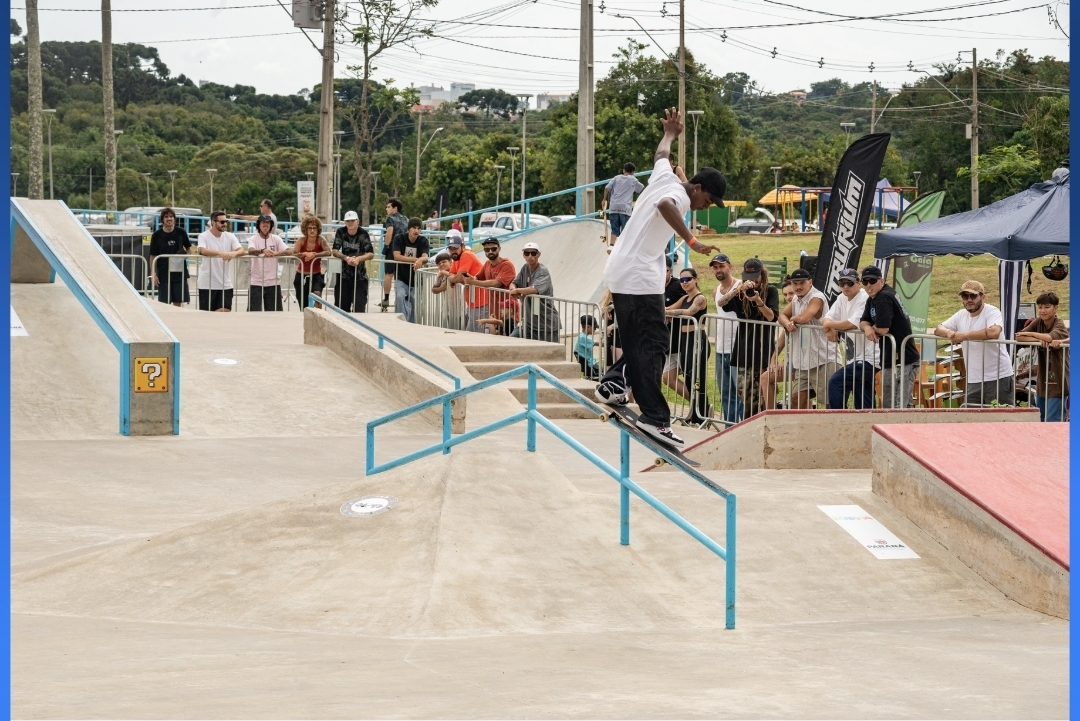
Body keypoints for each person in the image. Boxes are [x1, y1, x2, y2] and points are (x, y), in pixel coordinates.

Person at [594, 108, 724, 448]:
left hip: (621, 271)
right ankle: (655, 417)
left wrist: (669, 133)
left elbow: (661, 155)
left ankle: (612, 383)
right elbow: (667, 206)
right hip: (638, 277)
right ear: (697, 187)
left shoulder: (664, 176)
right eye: (706, 199)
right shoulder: (677, 195)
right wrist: (692, 241)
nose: (703, 206)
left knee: (640, 342)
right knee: (655, 346)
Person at [714, 258, 779, 418]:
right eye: (749, 277)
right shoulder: (740, 294)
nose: (753, 281)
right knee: (746, 397)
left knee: (763, 397)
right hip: (743, 353)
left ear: (762, 275)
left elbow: (772, 317)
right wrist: (737, 290)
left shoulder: (770, 291)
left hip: (763, 352)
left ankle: (764, 424)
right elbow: (721, 303)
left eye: (756, 277)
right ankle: (749, 426)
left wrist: (757, 300)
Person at [934, 280, 1015, 407]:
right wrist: (949, 333)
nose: (969, 300)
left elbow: (994, 332)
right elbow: (938, 329)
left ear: (983, 297)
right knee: (971, 420)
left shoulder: (992, 311)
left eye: (973, 296)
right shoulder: (961, 315)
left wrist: (965, 335)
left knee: (1000, 419)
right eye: (965, 296)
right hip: (973, 379)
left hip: (998, 377)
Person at [860, 265, 919, 408]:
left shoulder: (884, 297)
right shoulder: (873, 298)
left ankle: (903, 430)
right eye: (865, 282)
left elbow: (883, 328)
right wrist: (868, 328)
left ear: (881, 280)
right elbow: (863, 321)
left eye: (872, 281)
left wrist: (872, 328)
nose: (868, 286)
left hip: (903, 359)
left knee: (897, 406)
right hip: (890, 358)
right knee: (893, 404)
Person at [778, 268, 838, 409]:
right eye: (795, 283)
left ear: (810, 282)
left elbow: (804, 317)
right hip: (804, 361)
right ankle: (800, 429)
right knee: (796, 399)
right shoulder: (795, 300)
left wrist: (792, 319)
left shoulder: (817, 297)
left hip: (823, 358)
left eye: (801, 283)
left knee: (830, 402)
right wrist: (787, 323)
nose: (798, 287)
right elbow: (781, 316)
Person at [824, 268, 879, 409]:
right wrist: (829, 327)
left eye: (850, 283)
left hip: (870, 357)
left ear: (858, 283)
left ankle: (837, 420)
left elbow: (850, 324)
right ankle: (867, 424)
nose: (845, 287)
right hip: (854, 357)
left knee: (836, 382)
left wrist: (831, 325)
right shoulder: (842, 297)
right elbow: (826, 319)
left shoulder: (864, 298)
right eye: (842, 283)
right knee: (862, 394)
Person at [1015, 291, 1069, 421]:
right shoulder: (1038, 322)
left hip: (1058, 382)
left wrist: (1035, 336)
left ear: (1056, 308)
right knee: (1040, 420)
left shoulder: (1059, 324)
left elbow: (1049, 337)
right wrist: (1039, 340)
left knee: (1053, 421)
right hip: (1042, 382)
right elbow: (1018, 336)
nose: (1042, 310)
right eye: (1040, 307)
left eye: (1047, 307)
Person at [667, 267, 710, 423]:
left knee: (698, 378)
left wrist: (668, 313)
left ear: (695, 280)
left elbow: (689, 312)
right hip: (685, 340)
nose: (684, 283)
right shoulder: (684, 298)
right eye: (682, 280)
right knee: (689, 377)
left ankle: (702, 413)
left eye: (688, 279)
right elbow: (670, 308)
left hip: (697, 340)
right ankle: (695, 411)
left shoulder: (699, 298)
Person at [710, 253, 743, 424]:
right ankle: (729, 426)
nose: (718, 270)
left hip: (737, 349)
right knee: (725, 392)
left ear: (730, 266)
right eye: (715, 267)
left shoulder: (740, 286)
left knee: (741, 392)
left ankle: (743, 426)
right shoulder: (716, 290)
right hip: (721, 348)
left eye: (721, 266)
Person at [509, 242, 561, 342]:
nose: (530, 256)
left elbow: (533, 290)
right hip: (529, 323)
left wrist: (517, 290)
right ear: (523, 255)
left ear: (538, 254)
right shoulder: (525, 268)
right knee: (512, 341)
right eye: (527, 253)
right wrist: (513, 291)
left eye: (533, 253)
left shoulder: (542, 271)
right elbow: (514, 283)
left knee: (548, 355)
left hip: (545, 323)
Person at [758, 277, 795, 413]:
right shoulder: (788, 311)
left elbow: (802, 341)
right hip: (795, 362)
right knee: (766, 377)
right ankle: (772, 415)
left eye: (791, 294)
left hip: (806, 363)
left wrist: (785, 360)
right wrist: (773, 359)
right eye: (785, 294)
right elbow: (782, 339)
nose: (788, 297)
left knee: (800, 396)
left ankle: (773, 415)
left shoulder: (803, 309)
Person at [196, 210, 245, 312]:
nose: (225, 224)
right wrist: (220, 253)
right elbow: (202, 250)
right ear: (213, 222)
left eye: (226, 221)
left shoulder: (230, 236)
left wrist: (233, 253)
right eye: (222, 222)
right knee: (207, 315)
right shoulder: (203, 236)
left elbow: (241, 250)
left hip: (225, 283)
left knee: (225, 310)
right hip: (207, 284)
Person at [462, 236, 516, 325]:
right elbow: (478, 277)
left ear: (499, 249)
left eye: (493, 249)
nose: (490, 251)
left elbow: (496, 283)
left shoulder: (507, 265)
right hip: (494, 311)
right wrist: (470, 279)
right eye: (487, 250)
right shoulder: (487, 264)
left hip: (508, 313)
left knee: (507, 337)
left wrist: (473, 282)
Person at [332, 210, 375, 313]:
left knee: (359, 307)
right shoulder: (341, 232)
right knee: (341, 308)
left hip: (359, 276)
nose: (350, 223)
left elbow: (370, 253)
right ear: (345, 222)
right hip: (343, 275)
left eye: (352, 220)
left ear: (358, 221)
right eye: (347, 221)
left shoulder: (363, 234)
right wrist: (346, 258)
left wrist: (358, 259)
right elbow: (334, 250)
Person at [148, 207, 192, 307]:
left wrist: (184, 256)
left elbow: (189, 249)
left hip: (179, 272)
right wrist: (153, 273)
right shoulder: (156, 235)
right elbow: (152, 255)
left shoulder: (181, 232)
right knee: (164, 303)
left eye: (171, 216)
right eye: (166, 217)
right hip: (163, 273)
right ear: (162, 219)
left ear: (174, 219)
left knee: (178, 301)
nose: (169, 219)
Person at [245, 214, 289, 311]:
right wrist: (262, 250)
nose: (265, 225)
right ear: (258, 225)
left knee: (275, 314)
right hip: (256, 282)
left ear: (271, 225)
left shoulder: (276, 238)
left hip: (273, 282)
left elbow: (289, 251)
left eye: (268, 223)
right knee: (253, 314)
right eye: (263, 223)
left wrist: (277, 253)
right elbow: (250, 251)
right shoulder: (253, 238)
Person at [444, 231, 487, 331]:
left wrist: (452, 279)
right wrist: (453, 278)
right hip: (473, 302)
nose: (453, 251)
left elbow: (457, 278)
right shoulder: (457, 258)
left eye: (455, 248)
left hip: (481, 302)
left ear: (462, 247)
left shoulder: (466, 255)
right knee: (470, 334)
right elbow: (452, 274)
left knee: (476, 336)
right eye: (450, 249)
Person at [391, 217, 430, 322]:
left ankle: (412, 325)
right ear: (409, 228)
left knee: (415, 303)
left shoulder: (423, 240)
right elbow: (397, 256)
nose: (416, 231)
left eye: (419, 228)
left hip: (417, 280)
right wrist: (417, 260)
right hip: (402, 277)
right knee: (400, 296)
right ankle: (401, 322)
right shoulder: (399, 238)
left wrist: (421, 260)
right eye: (414, 228)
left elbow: (425, 256)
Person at [289, 215, 331, 308]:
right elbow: (293, 255)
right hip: (301, 275)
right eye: (309, 228)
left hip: (316, 275)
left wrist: (314, 254)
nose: (312, 230)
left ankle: (318, 317)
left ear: (318, 229)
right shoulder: (301, 240)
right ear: (305, 229)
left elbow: (328, 252)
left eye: (314, 228)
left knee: (317, 295)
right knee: (303, 303)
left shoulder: (320, 240)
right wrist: (304, 254)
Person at [661, 255, 687, 398]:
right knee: (667, 379)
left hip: (682, 341)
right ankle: (699, 407)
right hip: (667, 343)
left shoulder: (678, 286)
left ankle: (700, 408)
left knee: (692, 378)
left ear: (670, 271)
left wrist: (672, 312)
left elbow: (692, 299)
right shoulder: (654, 288)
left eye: (663, 270)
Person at [603, 162, 644, 245]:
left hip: (613, 207)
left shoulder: (616, 178)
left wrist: (604, 199)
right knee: (625, 231)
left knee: (614, 230)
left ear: (623, 170)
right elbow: (643, 189)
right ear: (633, 172)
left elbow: (607, 188)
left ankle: (612, 246)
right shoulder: (633, 179)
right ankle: (622, 248)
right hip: (625, 209)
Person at [381, 198, 409, 311]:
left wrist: (385, 247)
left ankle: (386, 299)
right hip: (403, 250)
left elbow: (389, 233)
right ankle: (400, 299)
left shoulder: (390, 219)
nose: (386, 209)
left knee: (389, 274)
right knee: (400, 276)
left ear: (395, 208)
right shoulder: (406, 219)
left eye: (388, 207)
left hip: (392, 248)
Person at [576, 315, 601, 380]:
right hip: (591, 367)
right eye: (594, 327)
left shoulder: (581, 337)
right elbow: (602, 344)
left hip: (590, 366)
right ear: (588, 327)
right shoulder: (583, 338)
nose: (595, 329)